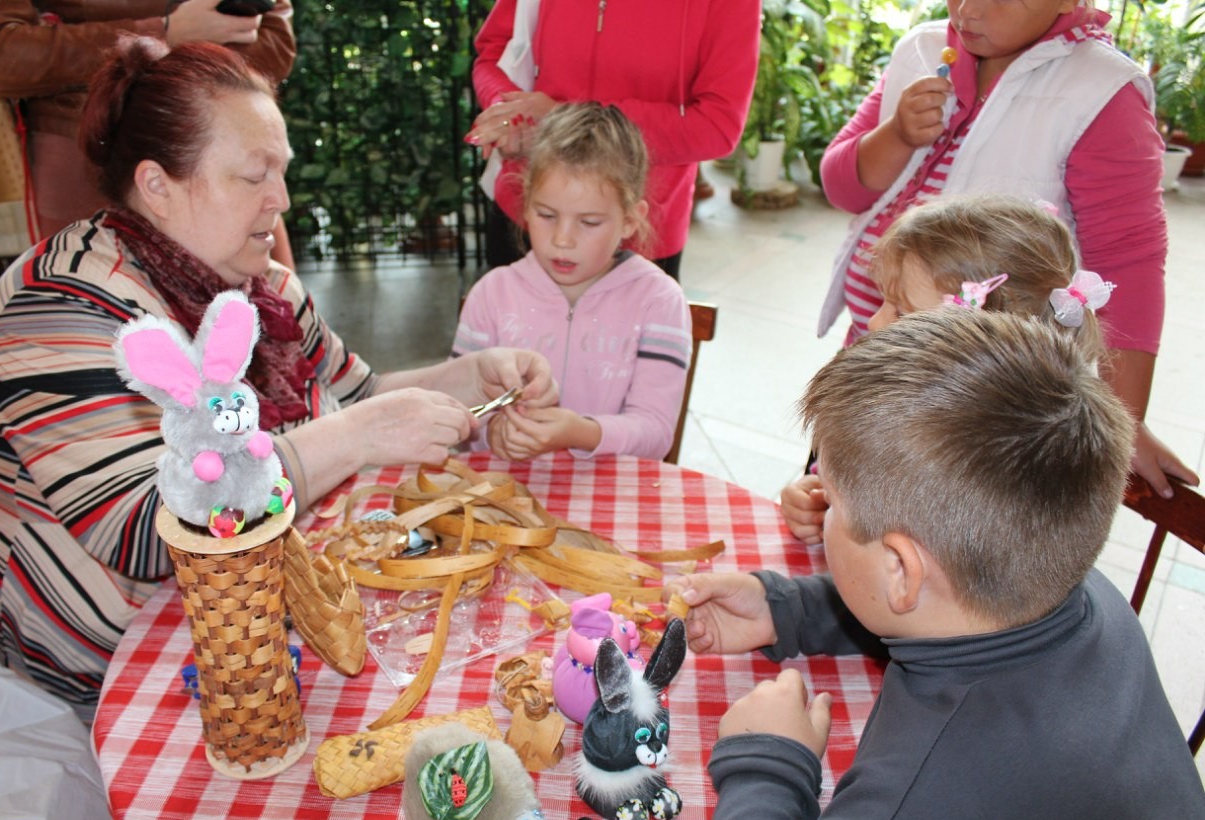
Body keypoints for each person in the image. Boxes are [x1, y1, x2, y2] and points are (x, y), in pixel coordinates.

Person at [0, 38, 555, 721]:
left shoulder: (255, 287)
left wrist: (468, 376)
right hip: (88, 685)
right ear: (158, 185)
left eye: (283, 172)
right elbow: (149, 533)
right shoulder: (62, 316)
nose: (283, 199)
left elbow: (352, 395)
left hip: (248, 623)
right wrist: (355, 439)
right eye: (253, 175)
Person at [672, 309, 1205, 820]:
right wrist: (783, 607)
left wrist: (767, 759)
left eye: (829, 498)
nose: (820, 506)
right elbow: (937, 597)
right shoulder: (1066, 582)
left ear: (900, 569)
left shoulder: (929, 791)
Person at [817, 0, 1193, 498]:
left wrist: (1119, 420)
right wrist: (898, 135)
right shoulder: (922, 51)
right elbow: (843, 188)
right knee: (844, 498)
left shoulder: (1102, 94)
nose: (968, 9)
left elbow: (1130, 263)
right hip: (879, 354)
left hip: (973, 400)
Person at [783, 194, 1108, 543]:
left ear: (981, 344)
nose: (874, 323)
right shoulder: (890, 392)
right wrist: (816, 495)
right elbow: (841, 480)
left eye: (901, 312)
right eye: (884, 302)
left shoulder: (999, 475)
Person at [0, 0, 297, 266]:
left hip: (228, 148)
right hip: (87, 157)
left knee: (269, 323)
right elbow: (0, 55)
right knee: (108, 325)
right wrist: (164, 32)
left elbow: (276, 46)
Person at [452, 103, 691, 461]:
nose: (563, 239)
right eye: (546, 215)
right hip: (503, 497)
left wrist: (580, 432)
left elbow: (656, 433)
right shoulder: (491, 294)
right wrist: (491, 430)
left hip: (613, 499)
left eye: (590, 222)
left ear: (629, 220)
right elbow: (458, 411)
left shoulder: (659, 300)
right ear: (527, 204)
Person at [468, 0, 761, 280]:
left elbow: (716, 126)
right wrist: (509, 115)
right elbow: (494, 54)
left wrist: (561, 120)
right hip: (531, 214)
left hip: (637, 234)